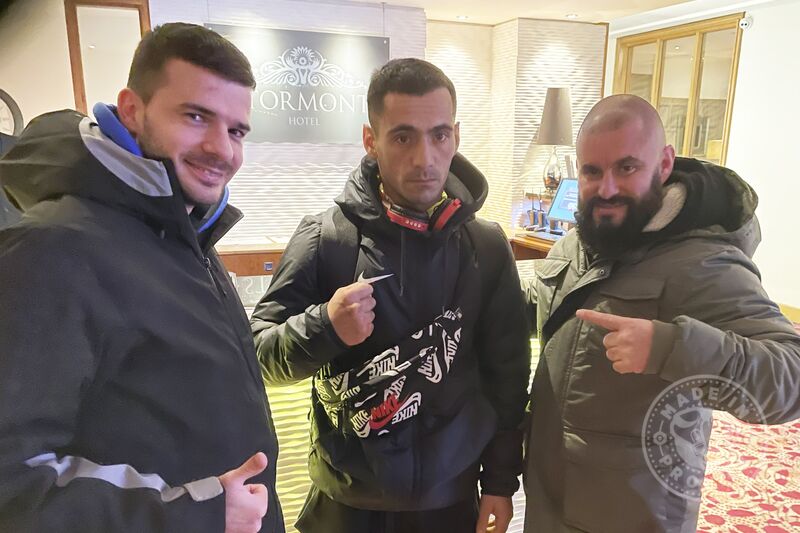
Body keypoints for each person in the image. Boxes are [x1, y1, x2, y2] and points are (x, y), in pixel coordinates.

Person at [0, 23, 284, 533]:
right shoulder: (53, 248)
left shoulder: (184, 231)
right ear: (132, 110)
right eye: (196, 117)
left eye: (237, 130)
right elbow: (9, 483)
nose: (222, 149)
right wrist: (194, 515)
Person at [250, 58, 530, 533]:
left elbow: (507, 378)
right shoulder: (325, 238)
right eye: (402, 137)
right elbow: (257, 353)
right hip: (345, 504)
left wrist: (501, 484)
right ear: (370, 140)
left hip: (451, 502)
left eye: (439, 135)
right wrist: (324, 327)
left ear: (456, 136)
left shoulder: (485, 246)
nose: (424, 158)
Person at [522, 94, 800, 532]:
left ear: (664, 163)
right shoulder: (582, 239)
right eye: (593, 171)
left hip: (632, 515)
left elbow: (791, 378)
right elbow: (545, 303)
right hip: (550, 501)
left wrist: (671, 348)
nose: (607, 187)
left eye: (627, 168)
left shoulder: (702, 263)